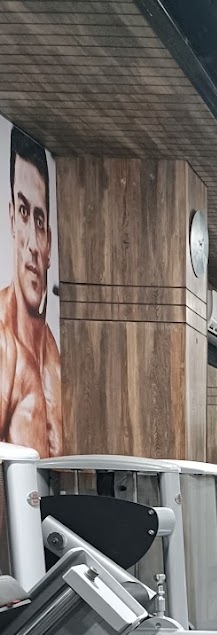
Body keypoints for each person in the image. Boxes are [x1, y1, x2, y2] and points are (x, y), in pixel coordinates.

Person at [0, 127, 61, 456]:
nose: (33, 246)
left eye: (39, 220)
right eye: (24, 212)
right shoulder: (4, 349)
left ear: (49, 240)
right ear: (11, 219)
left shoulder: (55, 361)